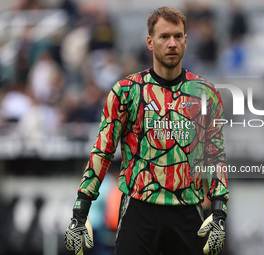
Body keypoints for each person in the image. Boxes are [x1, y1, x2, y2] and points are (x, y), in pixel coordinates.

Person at [64, 6, 229, 255]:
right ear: (150, 42)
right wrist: (80, 211)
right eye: (164, 36)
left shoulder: (205, 93)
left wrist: (219, 212)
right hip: (138, 211)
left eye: (177, 36)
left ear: (186, 41)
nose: (171, 43)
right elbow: (102, 150)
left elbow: (214, 155)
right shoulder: (126, 91)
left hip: (187, 210)